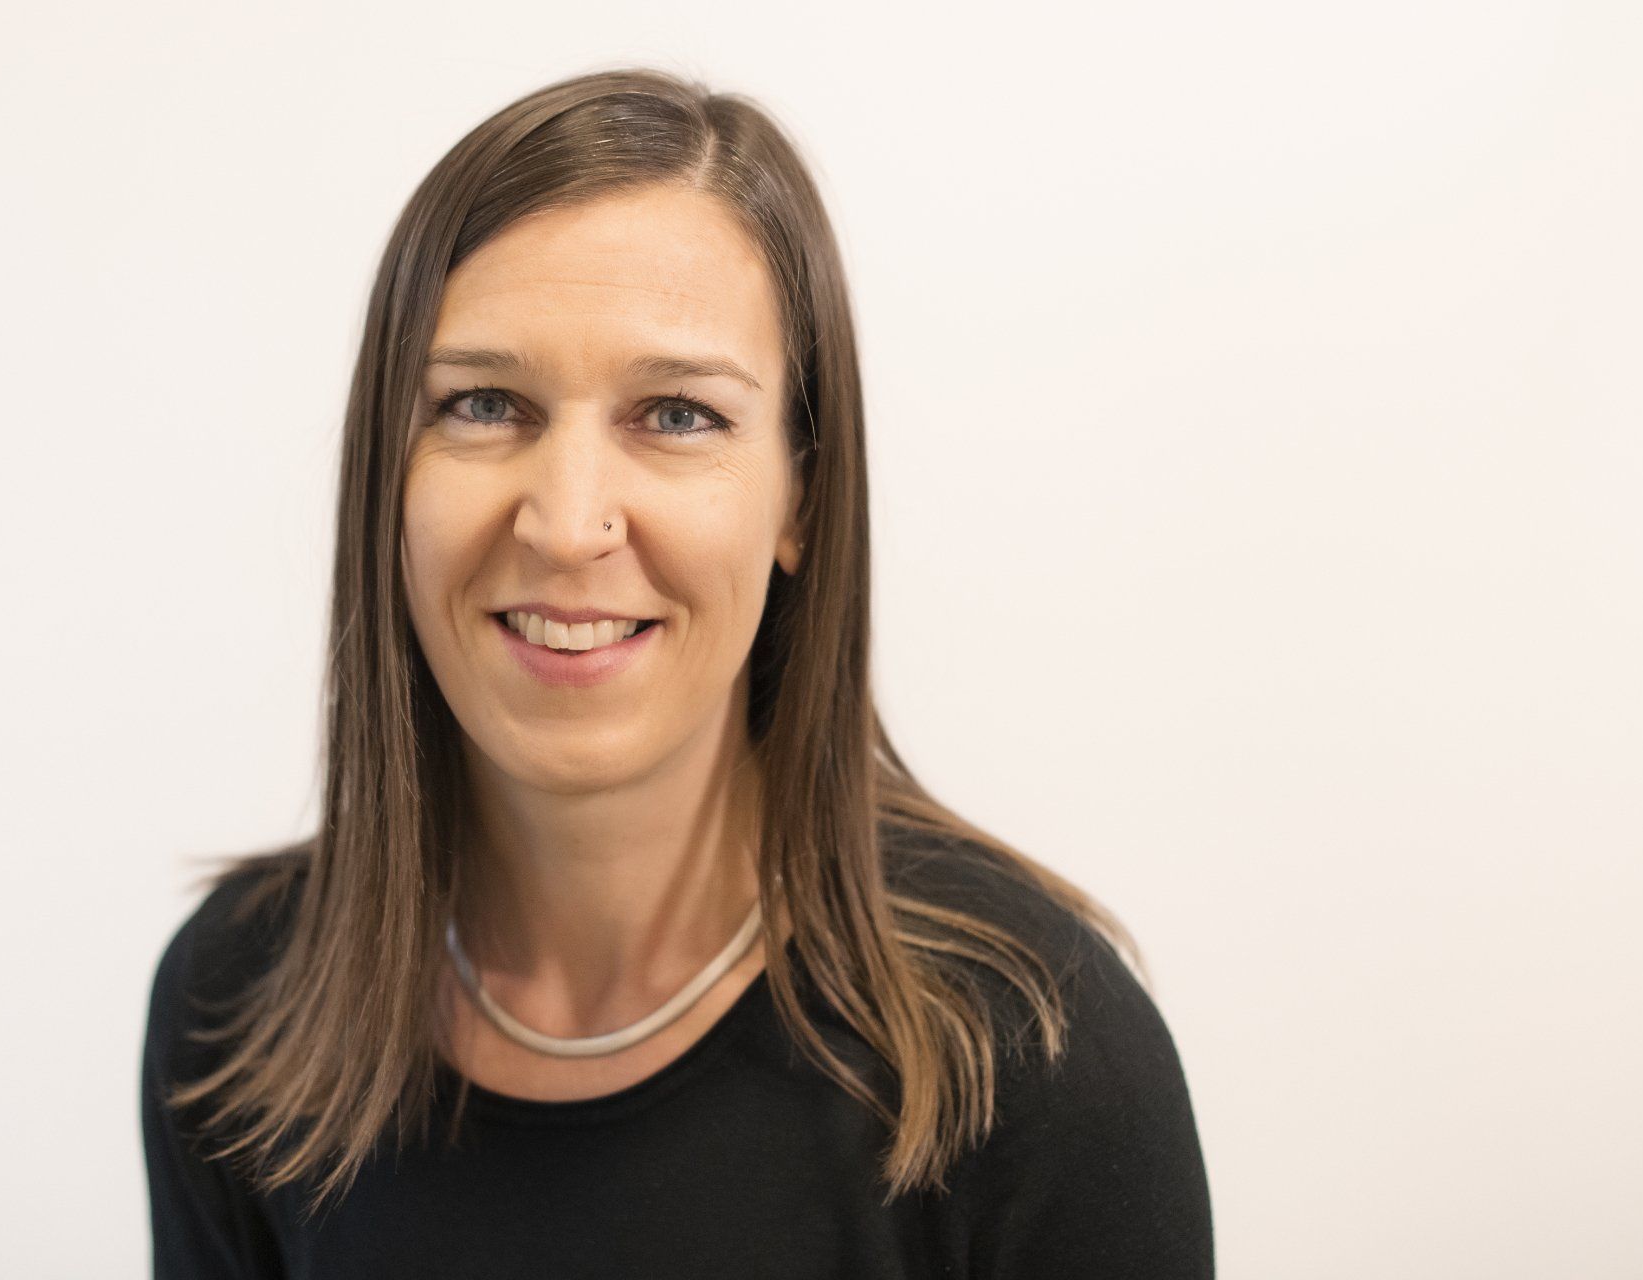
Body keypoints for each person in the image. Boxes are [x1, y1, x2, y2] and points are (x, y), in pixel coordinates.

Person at [140, 66, 1214, 1277]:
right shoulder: (233, 1005)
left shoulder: (1035, 1058)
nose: (567, 520)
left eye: (679, 415)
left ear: (800, 492)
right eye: (484, 402)